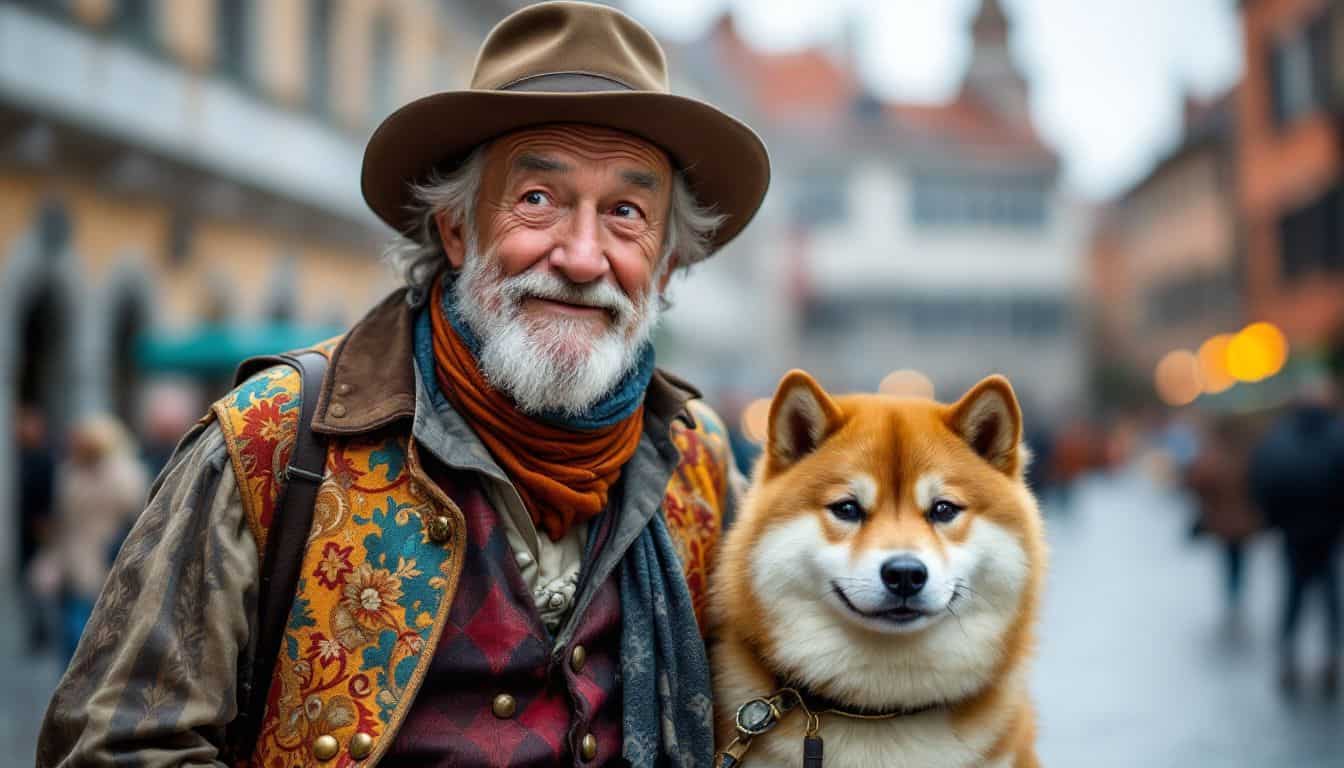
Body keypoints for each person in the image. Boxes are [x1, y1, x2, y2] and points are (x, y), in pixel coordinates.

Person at [37, 3, 767, 766]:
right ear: (456, 230)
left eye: (625, 213)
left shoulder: (698, 463)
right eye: (538, 200)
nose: (583, 258)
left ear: (668, 262)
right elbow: (114, 745)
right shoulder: (273, 441)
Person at [1249, 374, 1344, 697]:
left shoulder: (1279, 436)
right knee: (1330, 595)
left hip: (1293, 530)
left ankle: (1289, 655)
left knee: (1293, 595)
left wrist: (1274, 520)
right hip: (1329, 530)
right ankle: (1331, 655)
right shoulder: (1336, 433)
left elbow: (1262, 479)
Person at [32, 415, 148, 663]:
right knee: (73, 630)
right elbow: (62, 516)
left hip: (108, 559)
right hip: (73, 560)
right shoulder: (70, 470)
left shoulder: (123, 472)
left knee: (95, 628)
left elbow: (135, 509)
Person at [1184, 415, 1260, 635]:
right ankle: (1236, 597)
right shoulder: (1247, 456)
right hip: (1244, 521)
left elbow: (1198, 482)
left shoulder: (1215, 457)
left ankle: (1233, 597)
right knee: (1239, 560)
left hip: (1224, 522)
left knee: (1230, 560)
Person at [15, 405, 56, 655]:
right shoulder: (21, 456)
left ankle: (41, 628)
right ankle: (37, 627)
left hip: (39, 529)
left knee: (40, 580)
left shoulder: (44, 458)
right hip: (24, 531)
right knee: (29, 581)